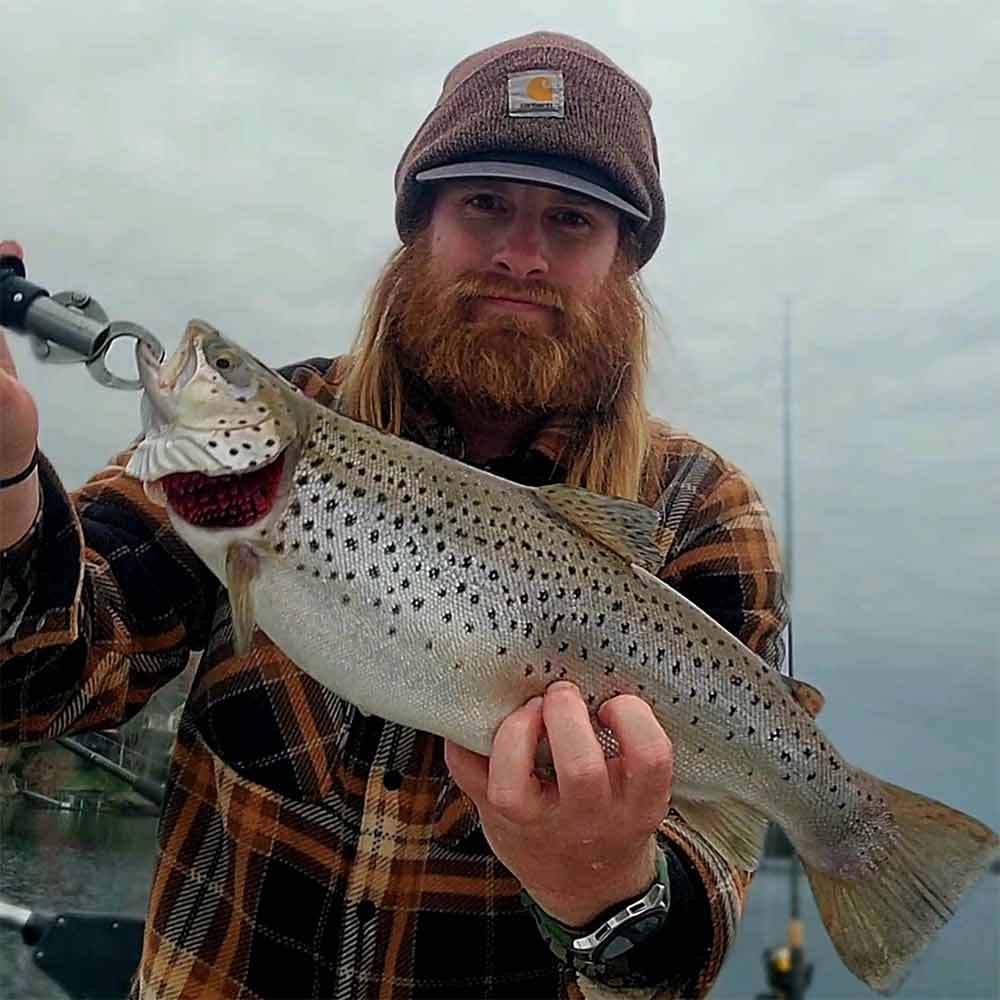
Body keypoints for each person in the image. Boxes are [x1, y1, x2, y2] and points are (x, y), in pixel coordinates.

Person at [0, 31, 786, 1000]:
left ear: (623, 262)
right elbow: (35, 682)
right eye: (484, 203)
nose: (521, 255)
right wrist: (6, 485)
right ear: (419, 228)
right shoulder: (262, 436)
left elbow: (686, 947)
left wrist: (605, 889)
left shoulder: (702, 511)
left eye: (572, 220)